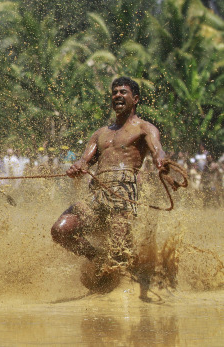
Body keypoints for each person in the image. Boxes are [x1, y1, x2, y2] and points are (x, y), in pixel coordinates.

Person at [50, 76, 166, 300]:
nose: (118, 96)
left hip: (125, 191)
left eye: (123, 92)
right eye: (114, 93)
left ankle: (123, 293)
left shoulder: (144, 128)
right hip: (98, 193)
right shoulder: (100, 134)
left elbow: (157, 150)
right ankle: (97, 257)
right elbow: (85, 161)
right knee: (61, 230)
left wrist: (161, 162)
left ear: (136, 98)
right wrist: (78, 166)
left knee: (120, 248)